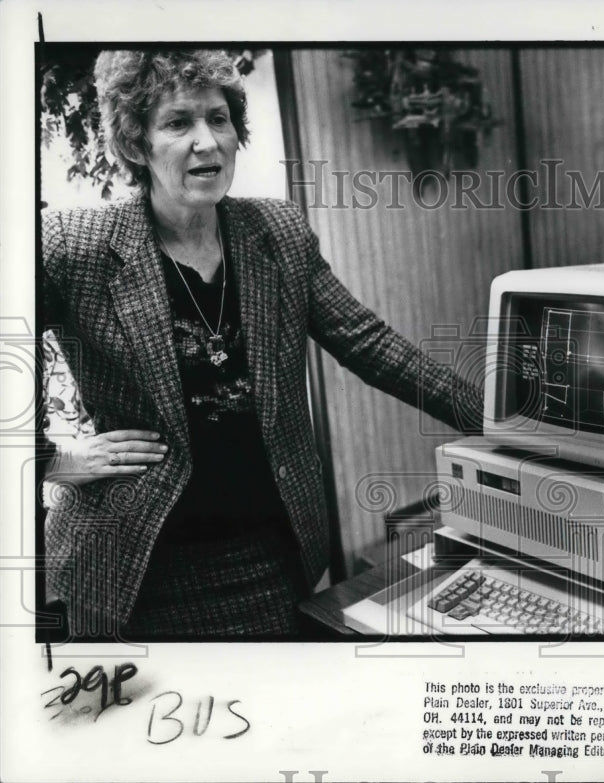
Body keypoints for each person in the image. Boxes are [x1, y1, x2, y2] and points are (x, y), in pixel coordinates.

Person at [41, 49, 481, 639]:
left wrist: (498, 421)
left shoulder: (275, 231)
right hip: (135, 565)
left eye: (218, 119)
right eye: (177, 123)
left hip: (270, 556)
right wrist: (54, 462)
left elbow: (368, 342)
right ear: (135, 143)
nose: (207, 142)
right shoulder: (76, 246)